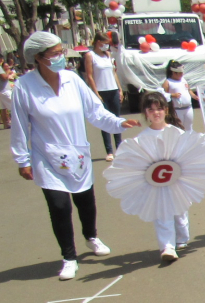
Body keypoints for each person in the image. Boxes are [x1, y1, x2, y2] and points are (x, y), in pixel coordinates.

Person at [9, 31, 141, 280]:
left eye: (61, 52)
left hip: (77, 154)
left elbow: (95, 111)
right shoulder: (25, 87)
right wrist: (22, 160)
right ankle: (69, 257)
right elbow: (19, 126)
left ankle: (91, 235)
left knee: (85, 202)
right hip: (46, 155)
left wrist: (118, 123)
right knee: (59, 206)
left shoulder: (72, 80)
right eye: (55, 54)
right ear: (39, 57)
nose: (61, 57)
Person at [132, 91, 193, 262]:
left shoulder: (176, 132)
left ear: (166, 110)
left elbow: (187, 155)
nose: (155, 113)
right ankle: (167, 246)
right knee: (162, 212)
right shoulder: (141, 138)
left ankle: (181, 237)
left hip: (177, 180)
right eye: (151, 110)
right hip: (155, 183)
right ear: (145, 113)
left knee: (180, 212)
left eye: (159, 109)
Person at [83, 32, 124, 161]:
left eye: (108, 44)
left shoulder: (108, 55)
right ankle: (109, 151)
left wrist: (120, 89)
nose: (107, 46)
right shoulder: (90, 56)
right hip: (101, 91)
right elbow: (89, 75)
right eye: (105, 43)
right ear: (98, 42)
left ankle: (120, 148)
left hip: (113, 90)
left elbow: (114, 73)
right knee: (105, 121)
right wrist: (96, 93)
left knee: (116, 120)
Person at [162, 60, 197, 131]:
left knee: (189, 127)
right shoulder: (168, 82)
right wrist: (172, 95)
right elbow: (162, 95)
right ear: (173, 73)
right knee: (178, 128)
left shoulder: (183, 80)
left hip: (188, 108)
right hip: (177, 109)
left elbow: (189, 90)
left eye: (182, 73)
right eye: (179, 73)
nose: (182, 75)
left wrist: (195, 97)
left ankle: (189, 141)